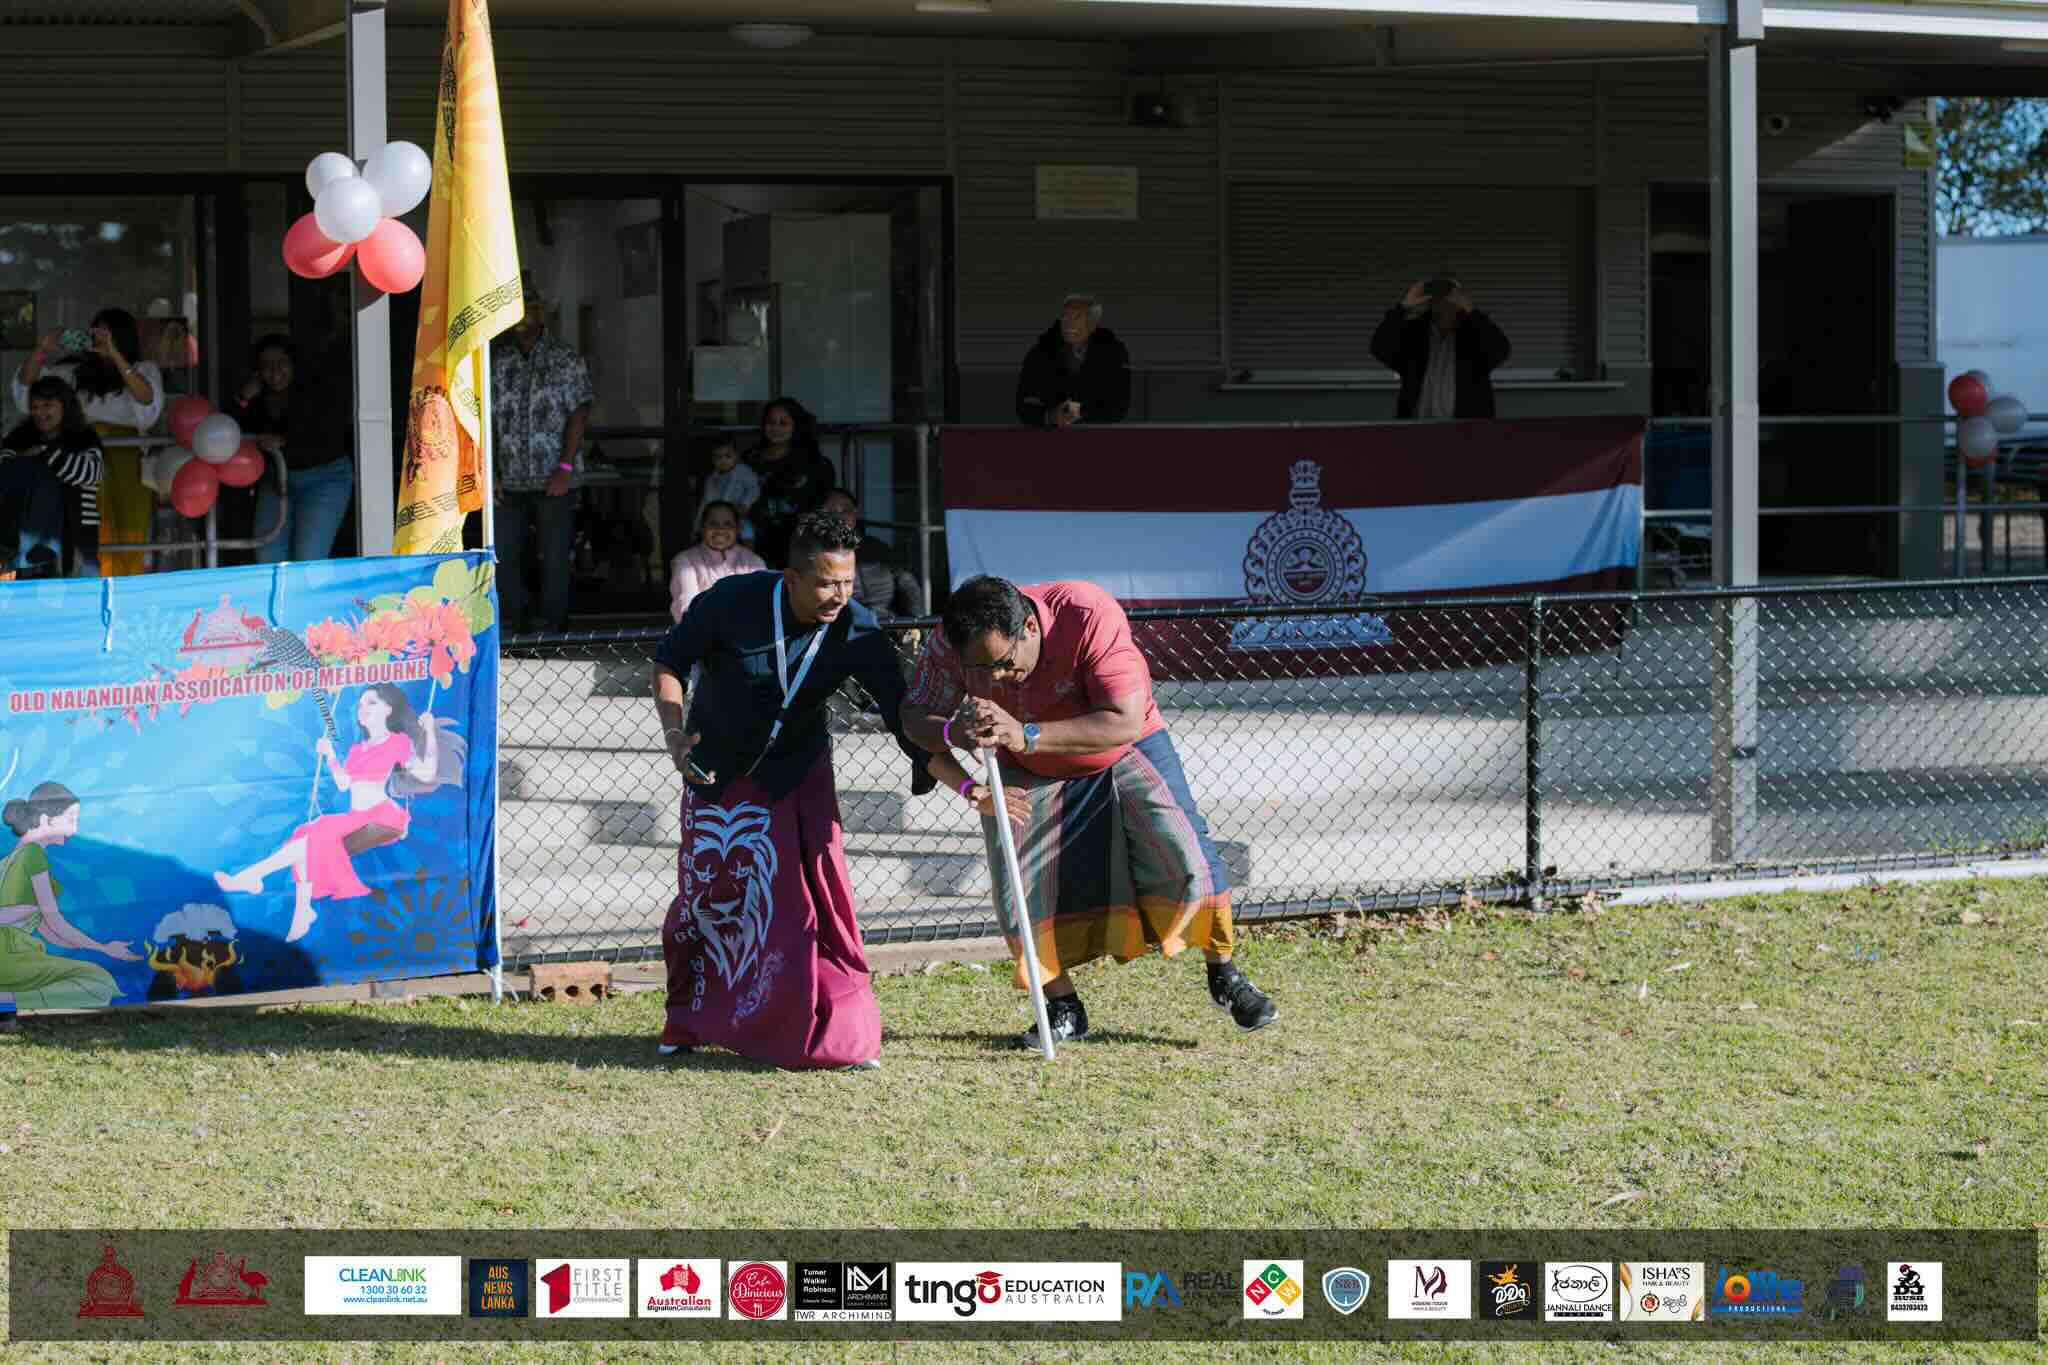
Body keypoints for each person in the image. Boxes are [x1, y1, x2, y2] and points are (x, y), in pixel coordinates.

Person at [901, 575, 1278, 1047]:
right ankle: (1063, 1008)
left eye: (1002, 663)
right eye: (980, 669)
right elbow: (913, 716)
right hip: (1023, 764)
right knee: (1020, 890)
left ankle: (1225, 977)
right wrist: (958, 731)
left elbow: (1122, 719)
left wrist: (1028, 734)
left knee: (1188, 857)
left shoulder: (1088, 613)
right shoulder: (950, 639)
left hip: (1121, 744)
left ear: (1031, 629)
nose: (994, 678)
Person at [650, 510, 934, 1070]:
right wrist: (675, 735)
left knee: (816, 902)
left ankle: (837, 1032)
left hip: (799, 774)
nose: (840, 595)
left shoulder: (856, 627)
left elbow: (901, 710)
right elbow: (669, 662)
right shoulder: (730, 602)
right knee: (710, 903)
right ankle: (690, 1021)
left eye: (848, 581)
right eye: (827, 582)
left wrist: (948, 759)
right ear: (792, 577)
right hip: (718, 774)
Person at [214, 684, 465, 943]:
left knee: (319, 830)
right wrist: (331, 756)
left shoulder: (397, 742)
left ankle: (251, 878)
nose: (362, 708)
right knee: (305, 836)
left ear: (388, 710)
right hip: (356, 817)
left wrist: (430, 733)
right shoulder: (358, 748)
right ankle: (301, 911)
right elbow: (345, 783)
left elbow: (426, 773)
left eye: (371, 703)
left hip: (381, 816)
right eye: (360, 704)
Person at [11, 308, 163, 577]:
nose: (99, 341)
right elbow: (27, 391)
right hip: (84, 457)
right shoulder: (72, 373)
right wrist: (42, 349)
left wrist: (114, 355)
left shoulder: (143, 370)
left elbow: (148, 403)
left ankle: (125, 596)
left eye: (107, 335)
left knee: (130, 529)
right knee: (87, 529)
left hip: (127, 461)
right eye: (96, 334)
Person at [491, 275, 594, 634]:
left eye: (529, 307)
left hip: (556, 477)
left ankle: (553, 630)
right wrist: (490, 473)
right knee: (504, 556)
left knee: (553, 558)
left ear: (540, 312)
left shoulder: (565, 358)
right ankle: (513, 626)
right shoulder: (494, 360)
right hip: (507, 479)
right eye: (516, 309)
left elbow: (579, 413)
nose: (523, 316)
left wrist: (565, 467)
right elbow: (482, 417)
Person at [1, 782, 142, 1031]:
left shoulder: (11, 859)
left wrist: (100, 948)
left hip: (14, 953)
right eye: (71, 819)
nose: (75, 829)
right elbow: (55, 922)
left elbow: (50, 931)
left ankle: (6, 1012)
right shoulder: (33, 855)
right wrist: (104, 949)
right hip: (9, 956)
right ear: (46, 819)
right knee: (99, 983)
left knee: (91, 976)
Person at [230, 335, 355, 563]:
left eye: (281, 364)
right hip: (277, 481)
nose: (275, 371)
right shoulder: (258, 398)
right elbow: (226, 432)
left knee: (308, 559)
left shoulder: (318, 389)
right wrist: (243, 397)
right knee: (268, 557)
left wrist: (285, 441)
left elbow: (328, 434)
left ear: (295, 364)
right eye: (266, 366)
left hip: (324, 479)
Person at [1369, 275, 1512, 420]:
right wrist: (1403, 307)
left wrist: (1471, 310)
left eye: (1450, 296)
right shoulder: (1414, 335)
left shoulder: (1474, 335)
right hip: (1417, 430)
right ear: (1428, 301)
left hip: (1467, 431)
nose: (1444, 301)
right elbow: (1379, 347)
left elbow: (1500, 350)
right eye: (1437, 297)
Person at [1, 376, 104, 576]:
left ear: (65, 406)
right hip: (26, 545)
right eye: (35, 407)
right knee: (28, 603)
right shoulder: (18, 438)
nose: (40, 413)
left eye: (47, 405)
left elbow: (90, 473)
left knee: (80, 600)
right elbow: (5, 469)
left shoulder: (85, 438)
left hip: (77, 539)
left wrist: (45, 455)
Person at [1014, 293, 1132, 428]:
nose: (1068, 323)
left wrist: (1080, 412)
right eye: (1065, 316)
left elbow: (1118, 406)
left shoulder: (1113, 353)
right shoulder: (1040, 353)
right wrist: (1050, 416)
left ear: (1092, 324)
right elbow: (1025, 405)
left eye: (1077, 317)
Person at [746, 397, 836, 569]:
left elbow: (822, 508)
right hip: (753, 545)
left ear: (796, 426)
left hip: (799, 546)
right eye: (771, 422)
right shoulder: (750, 459)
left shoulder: (814, 463)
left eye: (783, 423)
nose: (776, 428)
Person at [821, 487, 924, 618]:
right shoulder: (814, 553)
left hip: (887, 622)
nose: (840, 517)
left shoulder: (877, 548)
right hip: (843, 624)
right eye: (831, 512)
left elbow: (907, 584)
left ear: (855, 513)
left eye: (846, 511)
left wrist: (916, 626)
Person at [669, 500, 766, 623]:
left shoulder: (753, 562)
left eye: (727, 524)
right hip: (702, 638)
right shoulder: (684, 561)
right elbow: (686, 608)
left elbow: (762, 605)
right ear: (702, 527)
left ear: (737, 528)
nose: (720, 530)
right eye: (713, 524)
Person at [699, 437, 761, 546]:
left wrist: (745, 504)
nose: (723, 460)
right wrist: (699, 523)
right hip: (718, 517)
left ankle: (749, 557)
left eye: (728, 456)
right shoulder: (712, 479)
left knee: (747, 533)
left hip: (738, 512)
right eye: (718, 457)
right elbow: (705, 502)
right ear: (712, 460)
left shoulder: (743, 471)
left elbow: (753, 488)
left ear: (736, 456)